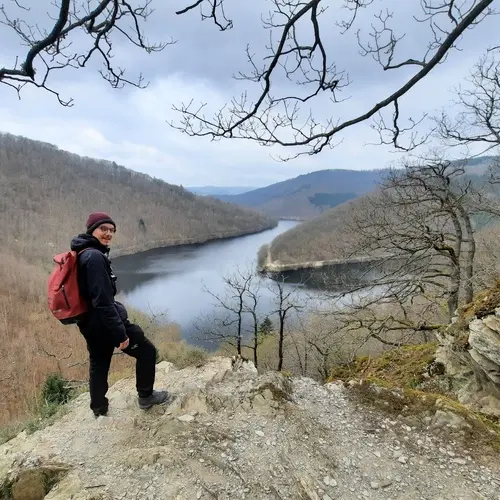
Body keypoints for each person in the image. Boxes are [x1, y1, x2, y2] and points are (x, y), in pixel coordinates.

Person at [71, 212, 170, 417]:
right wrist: (120, 334)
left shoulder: (83, 253)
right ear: (92, 230)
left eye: (111, 230)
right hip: (105, 323)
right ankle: (146, 397)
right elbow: (103, 302)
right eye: (103, 229)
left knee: (99, 364)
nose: (108, 233)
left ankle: (98, 408)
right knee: (146, 351)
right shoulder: (95, 257)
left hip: (89, 322)